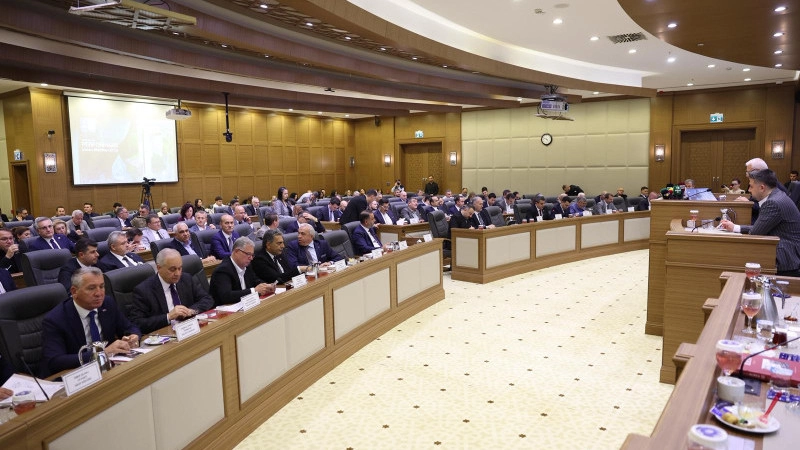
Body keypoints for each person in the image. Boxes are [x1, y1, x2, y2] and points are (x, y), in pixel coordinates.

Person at [40, 267, 141, 378]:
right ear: (74, 291)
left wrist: (133, 336)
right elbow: (55, 361)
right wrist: (101, 354)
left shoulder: (107, 303)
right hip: (77, 375)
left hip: (108, 369)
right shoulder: (55, 319)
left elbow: (129, 327)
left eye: (101, 286)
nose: (99, 293)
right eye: (91, 288)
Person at [719, 169, 800, 276]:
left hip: (785, 259)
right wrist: (735, 227)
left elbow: (755, 233)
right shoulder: (777, 195)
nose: (749, 190)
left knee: (733, 257)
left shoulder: (772, 203)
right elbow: (760, 227)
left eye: (751, 186)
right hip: (788, 253)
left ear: (762, 188)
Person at [129, 249, 215, 334]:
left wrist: (191, 311)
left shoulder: (186, 279)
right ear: (159, 268)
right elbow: (137, 323)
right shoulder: (143, 290)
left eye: (180, 268)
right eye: (172, 269)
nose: (177, 273)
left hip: (190, 329)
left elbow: (207, 299)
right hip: (165, 334)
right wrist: (168, 317)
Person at [209, 237, 274, 305]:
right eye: (248, 254)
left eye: (252, 255)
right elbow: (226, 296)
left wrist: (266, 286)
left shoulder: (247, 266)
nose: (251, 258)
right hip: (225, 309)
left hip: (246, 305)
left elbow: (255, 281)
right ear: (236, 251)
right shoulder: (222, 270)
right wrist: (254, 290)